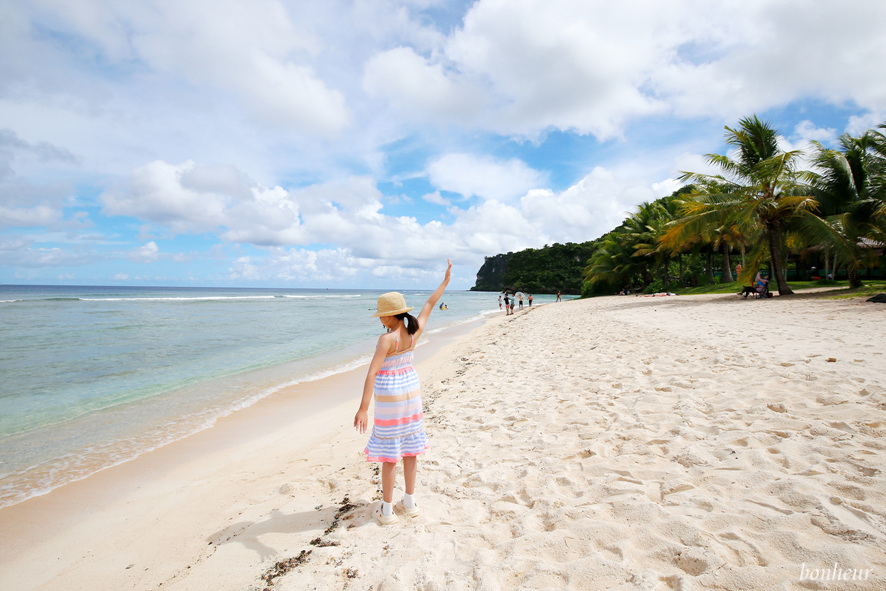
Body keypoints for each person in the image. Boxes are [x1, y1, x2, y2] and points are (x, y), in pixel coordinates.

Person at [354, 259, 452, 525]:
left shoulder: (386, 339)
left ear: (388, 316)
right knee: (409, 450)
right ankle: (409, 502)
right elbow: (430, 305)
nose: (380, 319)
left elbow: (372, 372)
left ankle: (386, 511)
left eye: (381, 316)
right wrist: (445, 281)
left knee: (389, 456)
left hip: (390, 400)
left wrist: (363, 408)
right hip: (411, 393)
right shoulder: (413, 332)